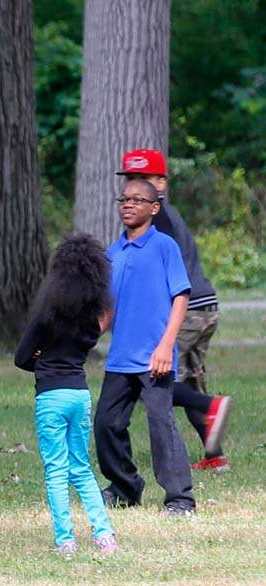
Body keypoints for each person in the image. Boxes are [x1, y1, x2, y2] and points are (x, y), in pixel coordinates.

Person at [117, 149, 232, 471]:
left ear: (162, 183)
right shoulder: (167, 215)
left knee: (153, 381)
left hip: (188, 308)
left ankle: (211, 406)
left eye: (144, 179)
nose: (135, 187)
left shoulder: (157, 221)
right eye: (130, 179)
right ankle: (214, 455)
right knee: (189, 383)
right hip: (205, 307)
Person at [94, 178, 196, 515]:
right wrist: (85, 338)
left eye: (137, 200)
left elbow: (180, 297)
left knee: (160, 425)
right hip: (120, 358)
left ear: (154, 208)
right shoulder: (113, 252)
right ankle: (125, 487)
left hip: (156, 358)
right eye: (124, 199)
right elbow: (108, 309)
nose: (128, 204)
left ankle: (180, 498)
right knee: (106, 424)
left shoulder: (164, 246)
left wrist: (166, 346)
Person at [15, 233, 117, 555]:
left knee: (56, 470)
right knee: (82, 467)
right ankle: (104, 535)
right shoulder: (90, 323)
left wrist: (43, 365)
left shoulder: (45, 318)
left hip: (51, 399)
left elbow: (21, 358)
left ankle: (65, 540)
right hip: (80, 395)